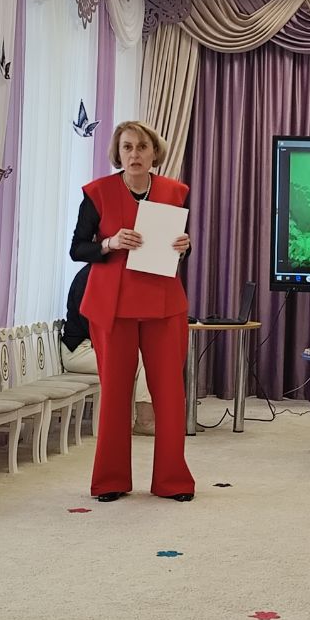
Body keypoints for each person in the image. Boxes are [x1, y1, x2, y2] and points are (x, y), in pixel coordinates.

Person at [70, 120, 194, 503]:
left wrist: (185, 246)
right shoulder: (97, 193)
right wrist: (109, 242)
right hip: (113, 305)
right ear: (118, 153)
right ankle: (110, 480)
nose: (135, 154)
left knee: (169, 394)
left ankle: (173, 481)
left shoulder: (175, 192)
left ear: (154, 152)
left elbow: (177, 248)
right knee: (114, 394)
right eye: (127, 147)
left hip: (163, 303)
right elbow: (78, 249)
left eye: (142, 147)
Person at [59, 264, 157, 435]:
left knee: (149, 355)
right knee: (143, 360)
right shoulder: (87, 277)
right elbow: (92, 325)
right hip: (79, 351)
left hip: (94, 346)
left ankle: (155, 416)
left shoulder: (105, 275)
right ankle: (145, 420)